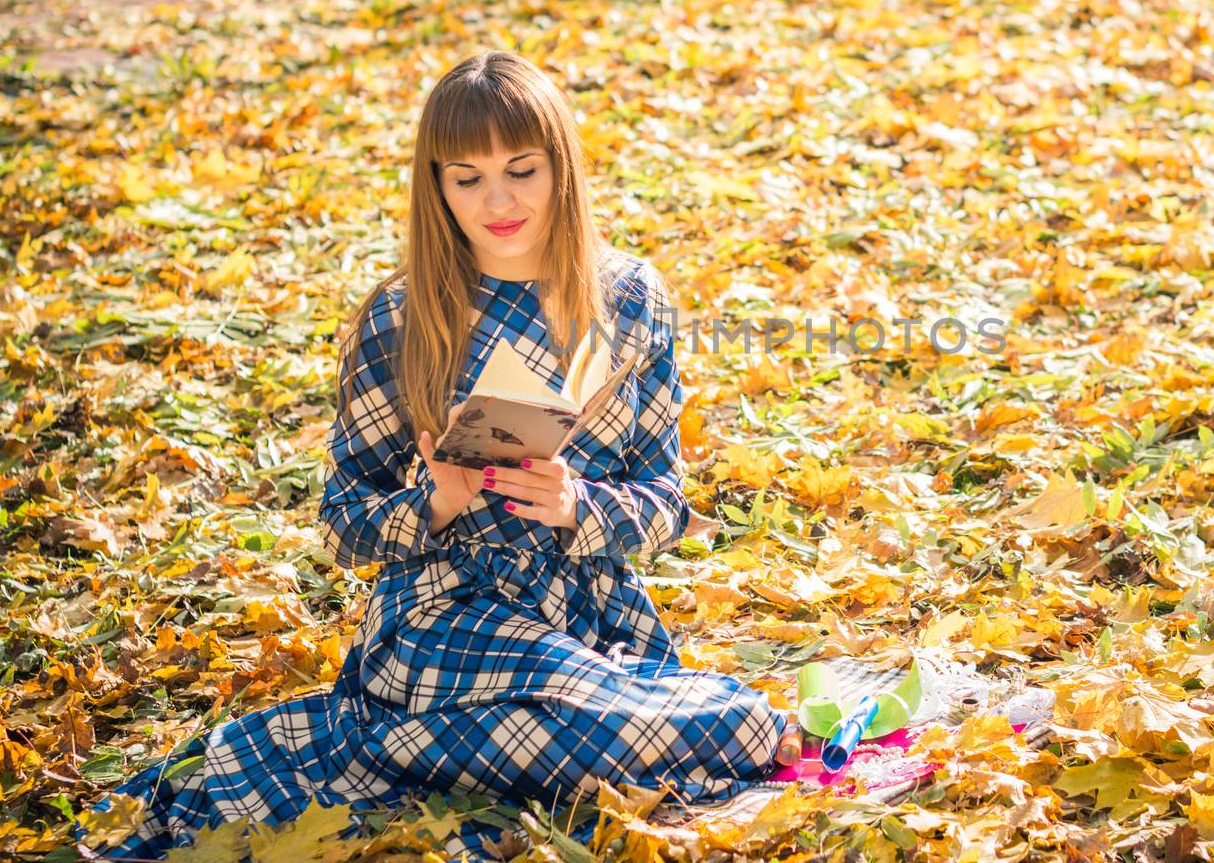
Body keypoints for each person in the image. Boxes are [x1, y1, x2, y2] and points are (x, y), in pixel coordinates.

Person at [88, 51, 788, 858]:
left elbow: (665, 498)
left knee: (610, 727)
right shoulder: (400, 318)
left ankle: (439, 748)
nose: (498, 201)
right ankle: (411, 736)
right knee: (721, 730)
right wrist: (437, 501)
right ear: (436, 185)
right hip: (440, 624)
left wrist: (579, 507)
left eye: (522, 170)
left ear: (562, 165)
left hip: (588, 623)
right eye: (467, 178)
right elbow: (345, 527)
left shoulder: (631, 300)